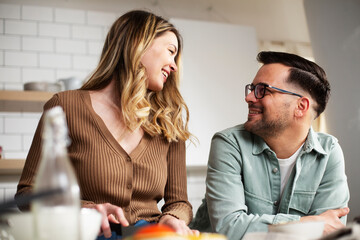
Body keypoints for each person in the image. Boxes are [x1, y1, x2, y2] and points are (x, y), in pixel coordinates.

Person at [16, 10, 196, 238]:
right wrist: (87, 211)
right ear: (138, 44)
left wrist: (172, 218)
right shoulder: (64, 106)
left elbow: (178, 202)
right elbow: (27, 193)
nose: (174, 65)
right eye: (171, 52)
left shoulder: (168, 121)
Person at [190, 51, 350, 240]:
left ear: (301, 107)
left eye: (262, 90)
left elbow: (330, 232)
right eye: (252, 88)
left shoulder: (329, 153)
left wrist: (308, 228)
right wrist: (306, 225)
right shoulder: (229, 143)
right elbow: (229, 227)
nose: (249, 97)